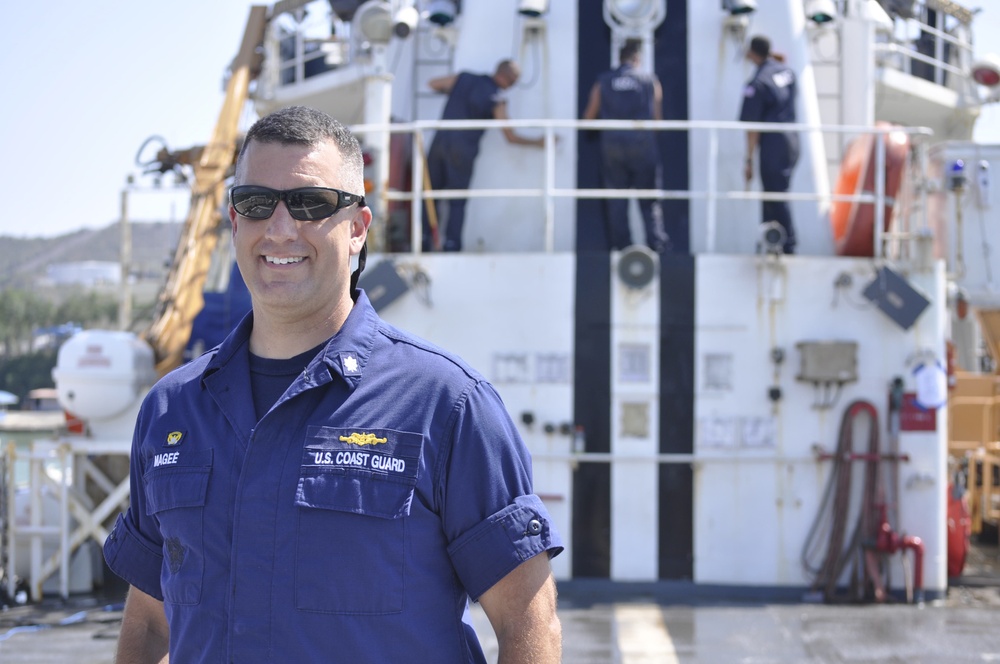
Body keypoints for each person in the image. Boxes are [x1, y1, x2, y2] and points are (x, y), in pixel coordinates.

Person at [104, 105, 563, 664]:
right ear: (233, 222)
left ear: (358, 229)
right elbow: (151, 622)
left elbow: (527, 623)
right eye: (256, 204)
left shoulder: (447, 405)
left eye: (310, 204)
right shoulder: (172, 410)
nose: (279, 228)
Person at [424, 59, 545, 251]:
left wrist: (455, 93)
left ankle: (424, 241)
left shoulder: (464, 78)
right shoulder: (496, 98)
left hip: (439, 144)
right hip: (462, 151)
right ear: (507, 78)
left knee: (429, 197)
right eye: (514, 82)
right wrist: (538, 142)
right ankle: (451, 244)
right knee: (457, 201)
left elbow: (433, 83)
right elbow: (510, 136)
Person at [582, 38, 670, 253]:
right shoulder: (650, 80)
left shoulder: (603, 81)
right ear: (637, 59)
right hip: (643, 146)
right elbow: (657, 119)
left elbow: (587, 119)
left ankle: (622, 246)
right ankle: (657, 244)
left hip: (612, 148)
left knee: (616, 200)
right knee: (649, 200)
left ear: (619, 59)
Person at [740, 35, 800, 254]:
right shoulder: (786, 71)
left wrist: (748, 160)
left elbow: (752, 127)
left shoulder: (757, 83)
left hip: (773, 145)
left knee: (775, 194)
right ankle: (770, 240)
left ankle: (789, 244)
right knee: (774, 193)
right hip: (792, 142)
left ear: (751, 53)